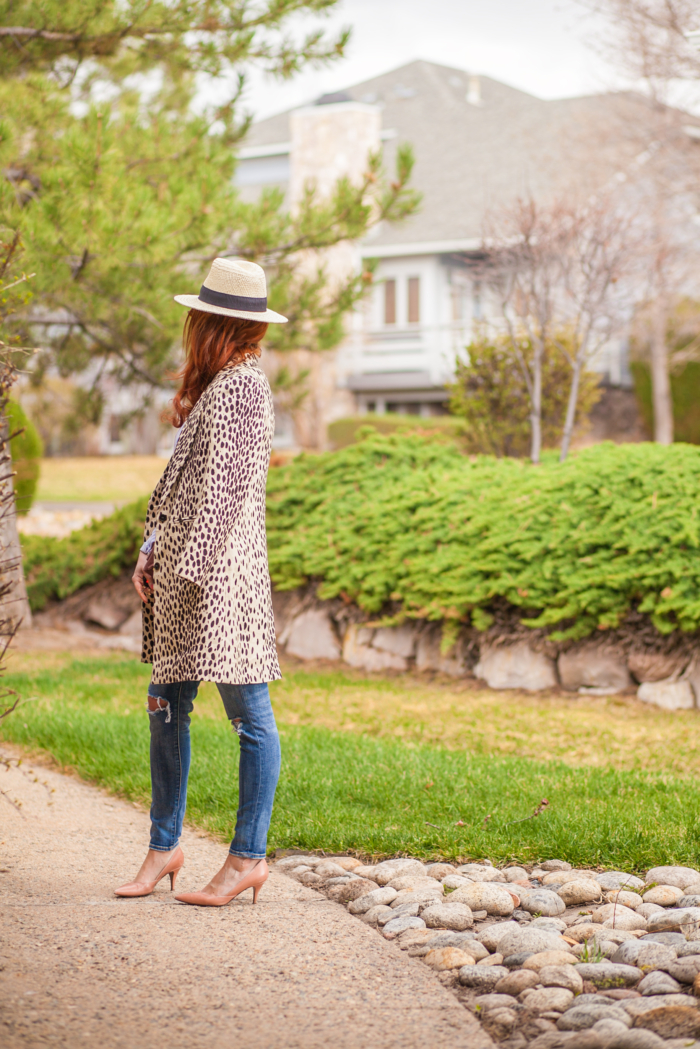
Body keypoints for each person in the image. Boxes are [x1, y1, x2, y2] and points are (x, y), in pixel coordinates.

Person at [114, 257, 287, 907]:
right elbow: (185, 486)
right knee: (165, 707)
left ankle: (247, 856)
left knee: (249, 716)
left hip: (219, 583)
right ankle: (166, 846)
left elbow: (226, 494)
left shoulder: (244, 388)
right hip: (187, 576)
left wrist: (186, 569)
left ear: (210, 322)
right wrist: (152, 547)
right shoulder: (221, 385)